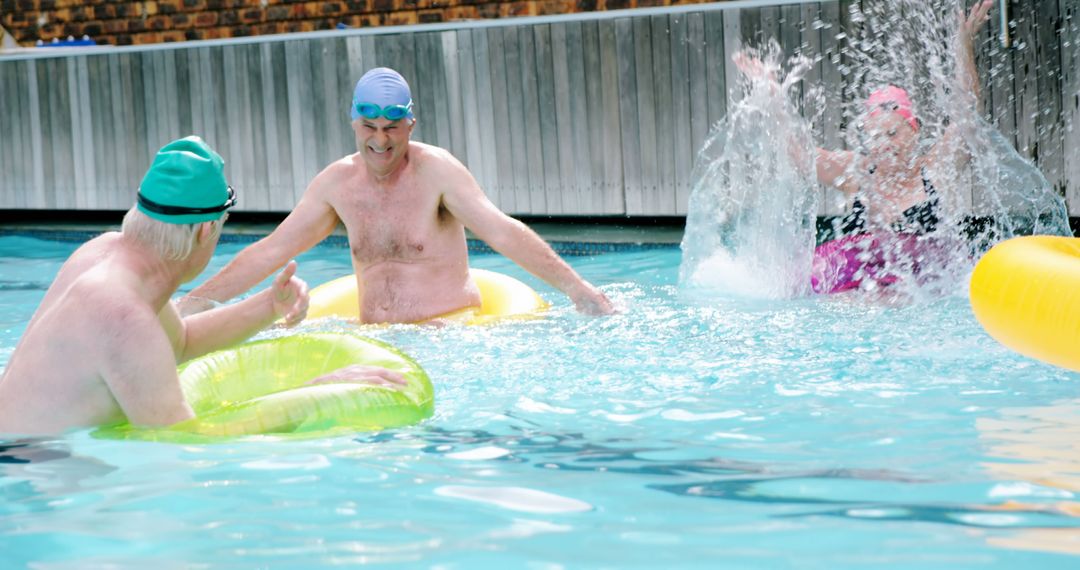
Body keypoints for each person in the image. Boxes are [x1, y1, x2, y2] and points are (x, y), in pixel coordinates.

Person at [0, 137, 405, 436]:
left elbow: (179, 343)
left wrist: (268, 306)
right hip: (29, 475)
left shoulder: (107, 255)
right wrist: (316, 392)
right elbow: (185, 441)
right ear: (206, 230)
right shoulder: (121, 312)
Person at [179, 67, 615, 324]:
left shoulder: (437, 172)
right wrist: (192, 304)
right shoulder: (336, 186)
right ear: (353, 124)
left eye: (392, 128)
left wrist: (578, 290)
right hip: (377, 339)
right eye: (369, 128)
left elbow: (502, 232)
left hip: (450, 335)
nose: (380, 141)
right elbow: (270, 250)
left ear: (410, 125)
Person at [734, 0, 993, 294]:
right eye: (876, 137)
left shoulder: (935, 169)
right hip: (860, 297)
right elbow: (799, 154)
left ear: (915, 130)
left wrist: (963, 46)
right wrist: (774, 98)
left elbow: (968, 115)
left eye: (893, 133)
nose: (885, 145)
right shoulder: (856, 171)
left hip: (921, 295)